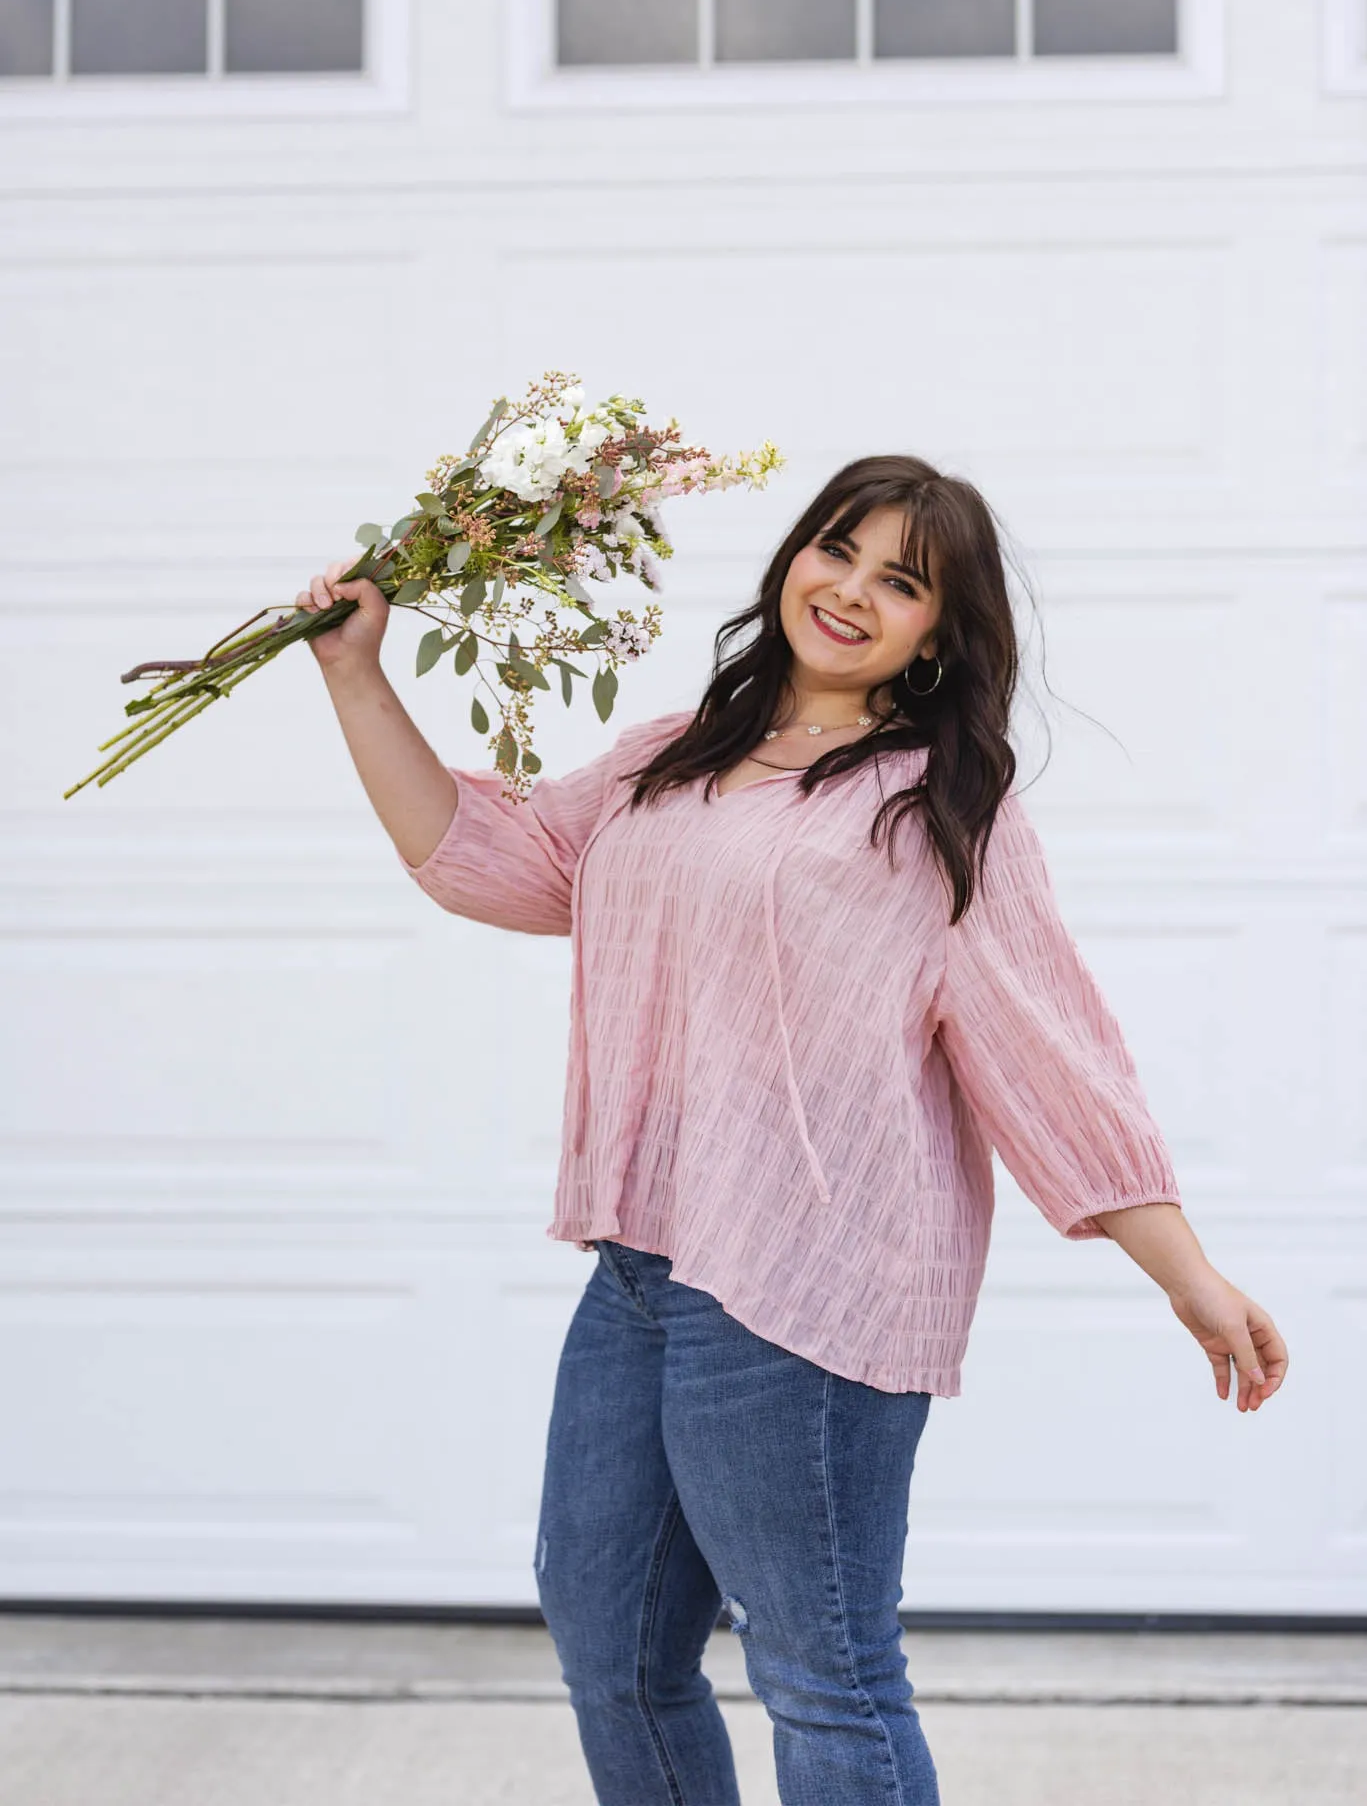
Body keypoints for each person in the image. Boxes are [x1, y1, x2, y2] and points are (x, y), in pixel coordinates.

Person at [298, 453, 1289, 1806]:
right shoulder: (668, 757)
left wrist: (1186, 1272)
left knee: (823, 1673)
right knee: (609, 1646)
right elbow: (494, 861)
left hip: (810, 1286)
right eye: (838, 551)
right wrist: (356, 673)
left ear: (938, 634)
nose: (851, 592)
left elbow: (1049, 1058)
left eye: (902, 583)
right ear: (791, 559)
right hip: (644, 1266)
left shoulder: (936, 807)